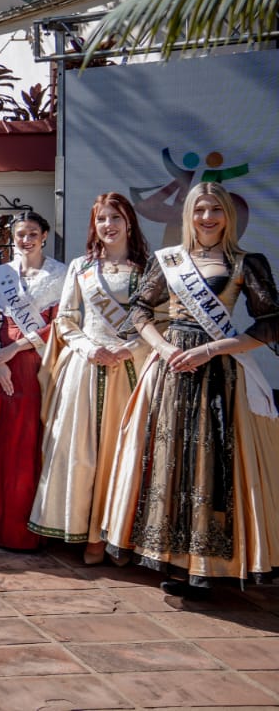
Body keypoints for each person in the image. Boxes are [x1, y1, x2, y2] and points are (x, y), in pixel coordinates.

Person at [102, 182, 279, 598]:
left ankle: (213, 563)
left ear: (228, 216)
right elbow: (140, 312)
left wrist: (217, 348)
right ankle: (177, 561)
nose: (207, 218)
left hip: (220, 372)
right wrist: (163, 348)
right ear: (189, 216)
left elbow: (271, 321)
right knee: (171, 460)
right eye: (199, 210)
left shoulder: (244, 263)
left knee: (213, 461)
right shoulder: (170, 262)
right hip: (172, 368)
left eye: (215, 210)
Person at [30, 194, 149, 563]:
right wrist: (87, 347)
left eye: (115, 217)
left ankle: (120, 535)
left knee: (124, 454)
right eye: (101, 219)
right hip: (86, 367)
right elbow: (66, 319)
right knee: (82, 453)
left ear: (129, 222)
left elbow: (158, 321)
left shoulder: (149, 269)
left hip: (130, 369)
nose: (108, 225)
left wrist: (128, 350)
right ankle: (88, 535)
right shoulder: (81, 267)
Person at [0, 210, 65, 550]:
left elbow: (58, 325)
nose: (26, 239)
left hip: (34, 366)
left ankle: (21, 529)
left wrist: (15, 349)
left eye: (33, 232)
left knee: (25, 445)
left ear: (45, 235)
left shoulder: (60, 276)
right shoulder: (1, 275)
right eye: (20, 233)